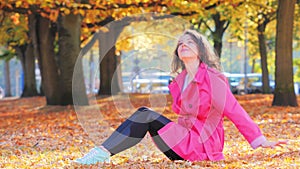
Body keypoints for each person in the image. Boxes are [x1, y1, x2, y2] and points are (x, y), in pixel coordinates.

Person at [74, 29, 287, 165]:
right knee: (143, 116)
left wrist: (260, 140)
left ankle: (101, 153)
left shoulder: (213, 79)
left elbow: (235, 110)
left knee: (145, 115)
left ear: (201, 51)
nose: (183, 45)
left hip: (201, 146)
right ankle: (101, 153)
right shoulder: (179, 81)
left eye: (190, 43)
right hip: (181, 143)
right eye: (180, 44)